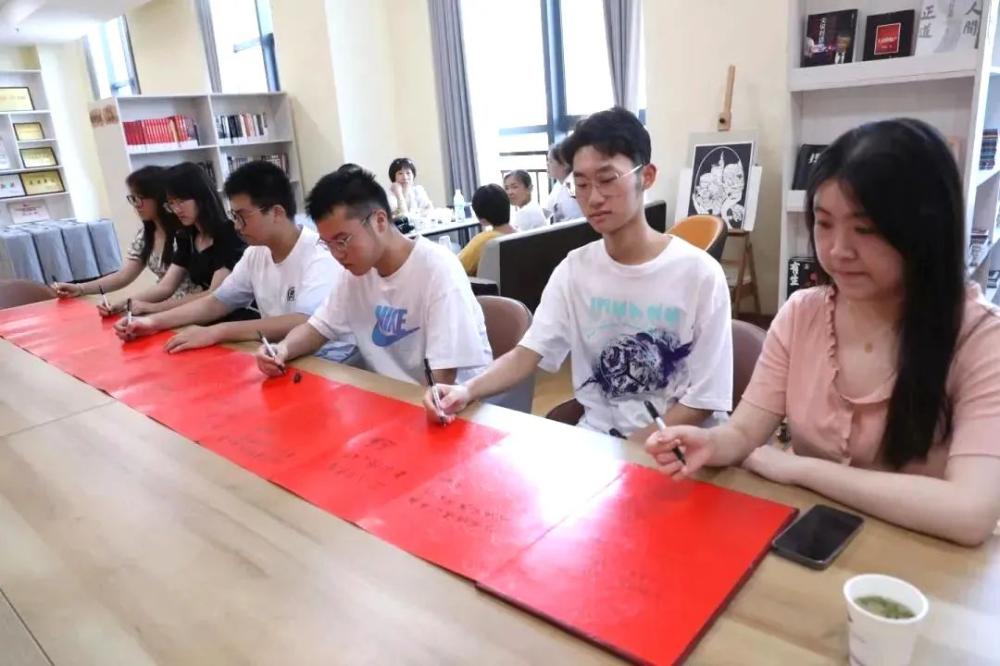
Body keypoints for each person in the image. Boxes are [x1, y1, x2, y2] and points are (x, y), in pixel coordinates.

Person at [646, 119, 1000, 547]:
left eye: (865, 229)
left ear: (927, 228)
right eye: (824, 223)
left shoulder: (980, 338)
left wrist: (802, 468)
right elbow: (743, 433)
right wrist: (709, 442)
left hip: (926, 562)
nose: (837, 250)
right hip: (814, 543)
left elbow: (970, 512)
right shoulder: (803, 313)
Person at [424, 107, 733, 440]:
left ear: (646, 176)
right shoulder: (575, 269)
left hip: (676, 447)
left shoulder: (699, 274)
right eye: (581, 184)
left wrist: (629, 451)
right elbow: (526, 354)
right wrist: (466, 390)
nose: (593, 198)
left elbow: (703, 401)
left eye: (607, 179)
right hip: (597, 443)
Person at [255, 167, 492, 386]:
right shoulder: (354, 274)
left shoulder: (437, 269)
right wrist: (283, 349)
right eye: (328, 244)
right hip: (390, 396)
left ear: (379, 220)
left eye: (342, 240)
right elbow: (317, 328)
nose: (337, 254)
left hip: (455, 403)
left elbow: (444, 379)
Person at [114, 162, 355, 360]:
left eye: (242, 217)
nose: (237, 226)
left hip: (331, 360)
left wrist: (216, 332)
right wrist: (152, 322)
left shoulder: (319, 255)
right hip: (278, 355)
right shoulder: (255, 253)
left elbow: (303, 321)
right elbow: (216, 302)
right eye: (234, 216)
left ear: (276, 213)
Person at [53, 166, 199, 314]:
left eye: (140, 198)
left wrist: (124, 304)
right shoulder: (145, 235)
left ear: (158, 197)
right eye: (133, 199)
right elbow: (124, 275)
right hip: (161, 305)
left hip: (189, 306)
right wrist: (80, 288)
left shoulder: (183, 234)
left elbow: (165, 288)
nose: (136, 205)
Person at [125, 162, 249, 317]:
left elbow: (214, 293)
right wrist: (123, 304)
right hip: (203, 314)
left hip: (235, 315)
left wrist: (153, 308)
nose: (176, 210)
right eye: (171, 203)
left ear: (200, 197)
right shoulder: (187, 236)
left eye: (181, 201)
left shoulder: (228, 233)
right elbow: (166, 286)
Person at [457, 184, 517, 276]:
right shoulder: (521, 234)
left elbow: (457, 268)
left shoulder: (485, 240)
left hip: (480, 285)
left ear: (482, 219)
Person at [543, 142, 583, 223]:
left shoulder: (574, 186)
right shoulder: (558, 185)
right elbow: (547, 211)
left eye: (550, 161)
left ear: (565, 164)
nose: (547, 164)